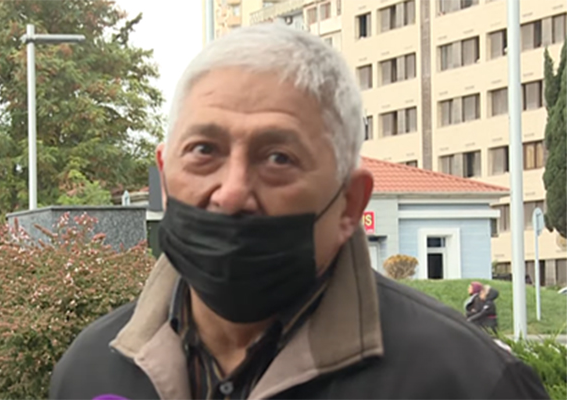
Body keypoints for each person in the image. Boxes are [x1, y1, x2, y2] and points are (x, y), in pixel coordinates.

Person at [49, 24, 549, 400]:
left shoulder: (468, 382)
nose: (231, 192)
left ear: (350, 202)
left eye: (278, 158)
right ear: (164, 173)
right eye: (204, 150)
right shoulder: (90, 372)